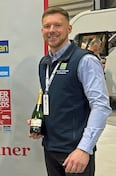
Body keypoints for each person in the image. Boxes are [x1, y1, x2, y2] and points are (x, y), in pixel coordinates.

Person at [28, 7, 112, 176]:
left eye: (57, 25)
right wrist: (42, 123)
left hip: (75, 151)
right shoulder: (44, 63)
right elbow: (56, 99)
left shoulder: (85, 60)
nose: (52, 30)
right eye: (47, 26)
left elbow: (101, 106)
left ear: (69, 28)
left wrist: (84, 149)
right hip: (51, 147)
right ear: (42, 30)